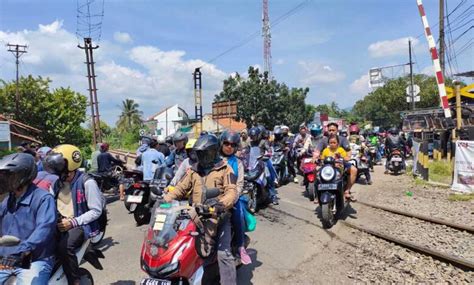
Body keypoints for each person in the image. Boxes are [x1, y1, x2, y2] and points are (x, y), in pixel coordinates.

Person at [163, 134, 238, 285]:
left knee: (224, 254)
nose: (202, 157)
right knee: (177, 245)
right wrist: (164, 200)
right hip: (195, 216)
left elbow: (232, 191)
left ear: (213, 152)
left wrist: (221, 205)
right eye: (200, 153)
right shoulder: (193, 170)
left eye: (205, 153)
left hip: (218, 217)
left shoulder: (225, 169)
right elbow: (179, 188)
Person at [43, 144, 104, 285]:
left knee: (65, 247)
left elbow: (96, 211)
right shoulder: (57, 184)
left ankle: (74, 280)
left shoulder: (87, 182)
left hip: (81, 225)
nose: (58, 173)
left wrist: (73, 222)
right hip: (59, 222)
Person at [0, 153, 57, 284]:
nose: (4, 180)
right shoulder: (8, 199)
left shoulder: (43, 199)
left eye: (9, 176)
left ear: (23, 176)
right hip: (7, 258)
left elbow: (45, 228)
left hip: (34, 259)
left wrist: (23, 248)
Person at [219, 131, 251, 265]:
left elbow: (239, 184)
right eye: (226, 143)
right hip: (214, 195)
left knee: (239, 214)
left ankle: (240, 246)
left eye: (232, 145)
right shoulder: (214, 159)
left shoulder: (238, 163)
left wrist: (232, 197)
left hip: (232, 197)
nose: (229, 147)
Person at [314, 123, 356, 199]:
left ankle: (347, 190)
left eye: (333, 130)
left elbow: (348, 151)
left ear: (337, 130)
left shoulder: (343, 139)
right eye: (330, 130)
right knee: (314, 169)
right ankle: (317, 193)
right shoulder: (323, 140)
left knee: (354, 170)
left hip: (341, 162)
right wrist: (314, 158)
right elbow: (317, 151)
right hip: (326, 163)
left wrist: (348, 157)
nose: (331, 132)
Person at [248, 127, 279, 205]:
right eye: (251, 136)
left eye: (254, 136)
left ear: (258, 135)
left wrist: (268, 153)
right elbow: (246, 151)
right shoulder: (250, 143)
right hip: (252, 163)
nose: (253, 138)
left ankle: (273, 196)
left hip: (262, 162)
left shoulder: (263, 142)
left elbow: (269, 150)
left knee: (268, 177)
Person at [320, 135, 353, 200]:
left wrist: (340, 156)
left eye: (334, 143)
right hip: (328, 170)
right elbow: (322, 159)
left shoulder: (341, 150)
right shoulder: (325, 150)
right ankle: (317, 194)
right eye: (330, 143)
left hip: (338, 169)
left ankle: (346, 190)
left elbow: (346, 158)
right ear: (328, 143)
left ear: (337, 143)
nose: (332, 144)